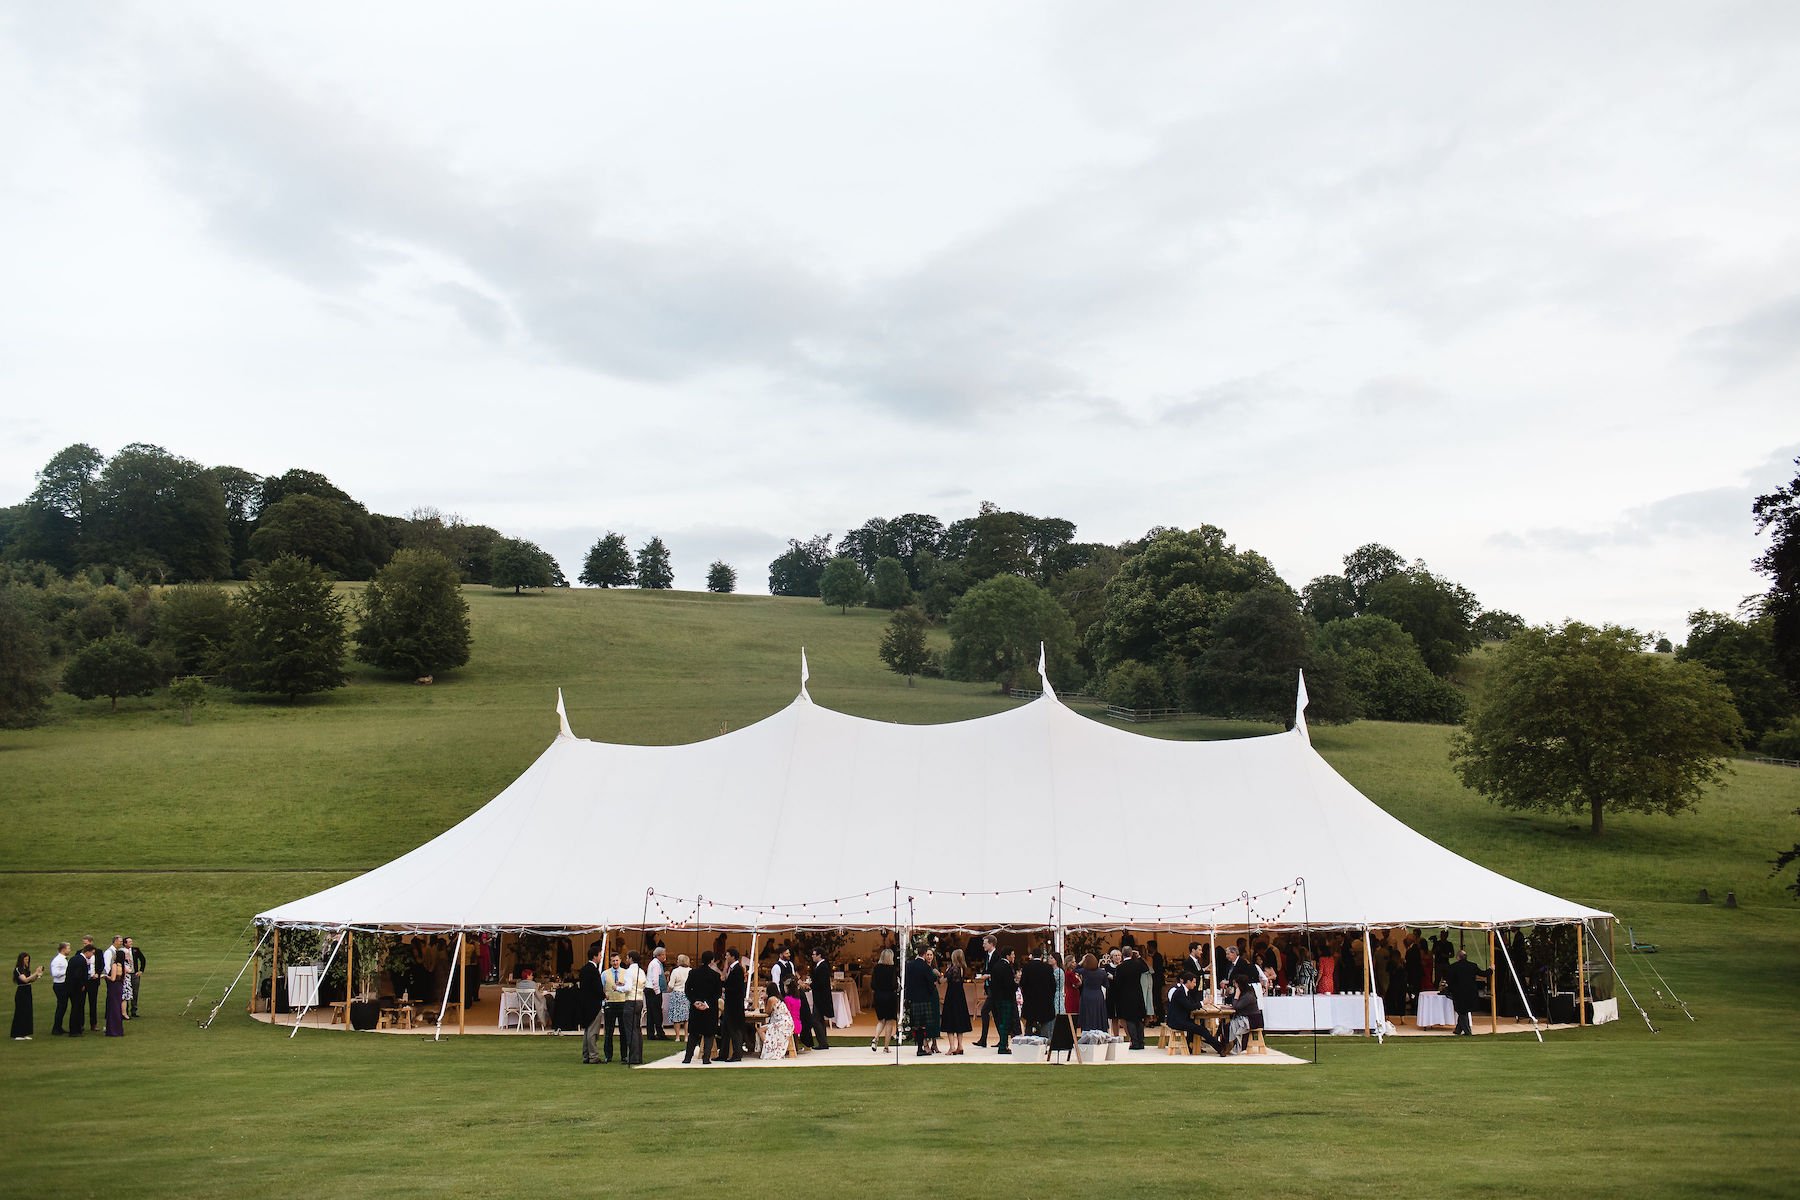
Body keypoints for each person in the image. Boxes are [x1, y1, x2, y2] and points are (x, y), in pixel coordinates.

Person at [603, 950, 646, 1065]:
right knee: (637, 1030)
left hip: (630, 1001)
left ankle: (633, 1057)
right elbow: (641, 985)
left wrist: (617, 988)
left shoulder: (629, 971)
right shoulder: (641, 971)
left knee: (630, 1031)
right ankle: (638, 1056)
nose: (626, 960)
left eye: (627, 958)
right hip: (639, 1000)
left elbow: (628, 988)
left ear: (631, 959)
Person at [1165, 971, 1223, 1054]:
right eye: (1194, 982)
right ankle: (1220, 1048)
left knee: (1197, 1026)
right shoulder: (1180, 992)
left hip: (1181, 1019)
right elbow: (1189, 1006)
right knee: (1202, 1030)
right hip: (1176, 1021)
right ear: (1188, 982)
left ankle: (1191, 1046)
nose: (1195, 985)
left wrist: (1202, 1003)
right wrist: (1203, 1002)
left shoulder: (1185, 991)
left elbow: (1191, 1004)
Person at [682, 951, 722, 1064]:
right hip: (710, 1008)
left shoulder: (693, 973)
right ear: (712, 961)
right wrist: (707, 1003)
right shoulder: (715, 975)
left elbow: (687, 989)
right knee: (709, 1033)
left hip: (696, 1007)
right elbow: (718, 993)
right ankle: (706, 1058)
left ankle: (687, 1057)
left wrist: (695, 1001)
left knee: (693, 1033)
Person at [904, 947, 940, 1056]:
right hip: (924, 998)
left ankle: (920, 1048)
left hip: (914, 999)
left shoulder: (909, 965)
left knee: (916, 1025)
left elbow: (907, 981)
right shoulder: (925, 966)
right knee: (923, 1025)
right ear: (924, 954)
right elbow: (931, 982)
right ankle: (921, 1048)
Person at [1112, 947, 1149, 1049]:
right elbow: (1146, 968)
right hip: (1138, 994)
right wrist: (1139, 957)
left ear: (1122, 954)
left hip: (1126, 996)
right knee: (1139, 1019)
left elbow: (1117, 983)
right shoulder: (1137, 964)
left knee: (1130, 1019)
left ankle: (1135, 1042)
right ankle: (1141, 1042)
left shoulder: (1120, 967)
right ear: (1131, 954)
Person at [939, 948, 972, 1055]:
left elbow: (942, 981)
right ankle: (960, 1045)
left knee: (950, 1020)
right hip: (960, 996)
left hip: (951, 996)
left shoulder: (952, 969)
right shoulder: (963, 969)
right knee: (959, 1020)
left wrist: (941, 974)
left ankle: (952, 1047)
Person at [1445, 949, 1486, 1036]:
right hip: (1470, 992)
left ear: (1458, 957)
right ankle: (1458, 1030)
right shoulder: (1473, 966)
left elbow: (1449, 980)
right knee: (1464, 1011)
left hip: (1458, 993)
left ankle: (1467, 1032)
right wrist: (1491, 969)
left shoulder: (1453, 967)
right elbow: (1483, 973)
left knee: (1461, 1011)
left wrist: (1449, 989)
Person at [1019, 947, 1057, 1038]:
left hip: (1030, 1001)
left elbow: (1023, 984)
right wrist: (1050, 997)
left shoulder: (1027, 967)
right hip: (1044, 1001)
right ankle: (1044, 1040)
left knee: (1029, 1023)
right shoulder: (1048, 968)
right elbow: (1053, 985)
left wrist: (1026, 995)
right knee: (1044, 1023)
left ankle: (1028, 1040)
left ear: (1032, 956)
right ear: (1041, 956)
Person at [578, 942, 605, 1064]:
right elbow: (597, 988)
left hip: (585, 1004)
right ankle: (593, 1056)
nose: (601, 957)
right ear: (595, 956)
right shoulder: (593, 970)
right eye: (599, 955)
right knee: (593, 1032)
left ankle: (586, 1055)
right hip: (593, 1004)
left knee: (587, 1030)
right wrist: (604, 995)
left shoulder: (583, 969)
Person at [720, 948, 748, 1062]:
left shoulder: (738, 969)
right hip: (729, 1004)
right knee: (725, 1030)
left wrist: (724, 986)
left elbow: (735, 987)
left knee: (734, 1030)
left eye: (727, 955)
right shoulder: (731, 969)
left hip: (735, 1005)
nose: (726, 957)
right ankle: (723, 1054)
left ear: (733, 956)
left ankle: (737, 1054)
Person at [989, 947, 1018, 1054]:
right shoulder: (1006, 967)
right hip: (1006, 998)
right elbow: (1009, 984)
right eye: (1012, 954)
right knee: (1005, 1023)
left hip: (997, 998)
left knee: (1001, 1021)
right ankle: (1003, 1046)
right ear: (1007, 956)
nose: (1014, 956)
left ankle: (1003, 1044)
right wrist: (1016, 984)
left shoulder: (996, 965)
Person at [870, 947, 899, 1052]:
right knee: (889, 1022)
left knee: (881, 1020)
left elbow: (872, 985)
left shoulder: (876, 968)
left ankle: (876, 1037)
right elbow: (894, 985)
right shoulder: (892, 969)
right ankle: (886, 1047)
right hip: (890, 996)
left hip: (878, 996)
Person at [972, 935, 999, 1047]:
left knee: (984, 1011)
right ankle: (1002, 1040)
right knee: (996, 1015)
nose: (983, 945)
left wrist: (988, 976)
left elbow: (997, 972)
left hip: (995, 990)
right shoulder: (987, 955)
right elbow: (986, 970)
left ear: (991, 944)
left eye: (985, 943)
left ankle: (984, 1040)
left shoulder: (997, 956)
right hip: (989, 988)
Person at [760, 983, 794, 1060]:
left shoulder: (771, 999)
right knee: (766, 1028)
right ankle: (769, 1048)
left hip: (782, 1023)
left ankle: (769, 1049)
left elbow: (767, 1012)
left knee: (761, 1030)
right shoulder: (778, 998)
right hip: (787, 1022)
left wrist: (764, 1000)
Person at [808, 947, 833, 1051]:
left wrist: (810, 985)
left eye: (814, 954)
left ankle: (822, 1043)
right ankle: (823, 1042)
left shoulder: (823, 966)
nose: (812, 956)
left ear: (819, 955)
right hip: (819, 997)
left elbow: (820, 983)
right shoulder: (820, 966)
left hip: (821, 998)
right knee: (819, 1020)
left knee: (815, 1020)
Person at [1077, 954, 1109, 1032]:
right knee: (1098, 1014)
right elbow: (1106, 985)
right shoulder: (1102, 972)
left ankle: (1087, 1029)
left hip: (1087, 995)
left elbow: (1075, 970)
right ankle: (1100, 1030)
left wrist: (1081, 961)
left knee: (1087, 1014)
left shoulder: (1084, 971)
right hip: (1098, 995)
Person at [12, 953, 42, 1039]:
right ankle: (17, 1033)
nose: (27, 961)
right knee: (20, 1011)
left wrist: (37, 975)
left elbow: (31, 980)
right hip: (21, 991)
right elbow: (25, 980)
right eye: (25, 959)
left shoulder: (26, 970)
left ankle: (25, 1032)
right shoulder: (18, 969)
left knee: (27, 1012)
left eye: (28, 959)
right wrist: (35, 973)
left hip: (28, 991)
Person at [64, 945, 91, 1037]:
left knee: (76, 1008)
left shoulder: (74, 958)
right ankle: (74, 1030)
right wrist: (82, 985)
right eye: (91, 953)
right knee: (76, 1008)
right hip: (76, 988)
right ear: (87, 952)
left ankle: (76, 1028)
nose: (91, 955)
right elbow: (77, 975)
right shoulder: (81, 960)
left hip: (70, 987)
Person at [664, 953, 691, 1041]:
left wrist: (668, 989)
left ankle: (678, 1037)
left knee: (676, 1017)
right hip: (687, 995)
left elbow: (671, 985)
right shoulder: (691, 971)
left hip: (677, 994)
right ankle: (686, 1036)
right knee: (687, 1017)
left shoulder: (675, 971)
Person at [80, 937, 101, 1031]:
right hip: (84, 981)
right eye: (83, 943)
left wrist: (97, 973)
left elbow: (101, 964)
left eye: (86, 943)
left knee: (93, 1002)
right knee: (81, 1002)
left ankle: (94, 1024)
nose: (84, 945)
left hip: (93, 981)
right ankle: (81, 1023)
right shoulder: (80, 953)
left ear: (91, 943)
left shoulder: (98, 952)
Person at [645, 946, 666, 1040]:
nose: (664, 956)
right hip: (653, 991)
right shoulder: (656, 965)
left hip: (650, 990)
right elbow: (655, 979)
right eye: (663, 955)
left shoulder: (654, 963)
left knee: (651, 1013)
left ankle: (651, 1033)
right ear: (658, 955)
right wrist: (657, 991)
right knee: (657, 1013)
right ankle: (660, 1033)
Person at [781, 977, 807, 1052]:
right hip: (797, 1023)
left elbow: (786, 1012)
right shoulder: (798, 999)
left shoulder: (787, 999)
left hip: (790, 1024)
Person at [49, 943, 70, 1036]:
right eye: (68, 948)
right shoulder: (57, 960)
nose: (69, 950)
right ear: (63, 949)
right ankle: (56, 1028)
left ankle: (58, 1027)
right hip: (59, 985)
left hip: (64, 984)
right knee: (61, 1006)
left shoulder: (64, 959)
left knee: (63, 1006)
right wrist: (67, 971)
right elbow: (55, 973)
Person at [104, 947, 125, 1037]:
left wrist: (105, 976)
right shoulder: (123, 966)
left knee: (113, 1007)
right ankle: (118, 1029)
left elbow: (112, 978)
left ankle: (112, 1030)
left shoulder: (114, 965)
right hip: (119, 986)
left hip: (114, 987)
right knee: (117, 1006)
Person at [125, 937, 145, 1019]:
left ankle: (134, 1010)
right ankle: (125, 1011)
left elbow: (143, 959)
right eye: (129, 942)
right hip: (126, 974)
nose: (131, 943)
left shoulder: (135, 950)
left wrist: (141, 970)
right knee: (125, 991)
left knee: (135, 992)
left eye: (131, 941)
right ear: (125, 943)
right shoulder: (122, 951)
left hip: (134, 974)